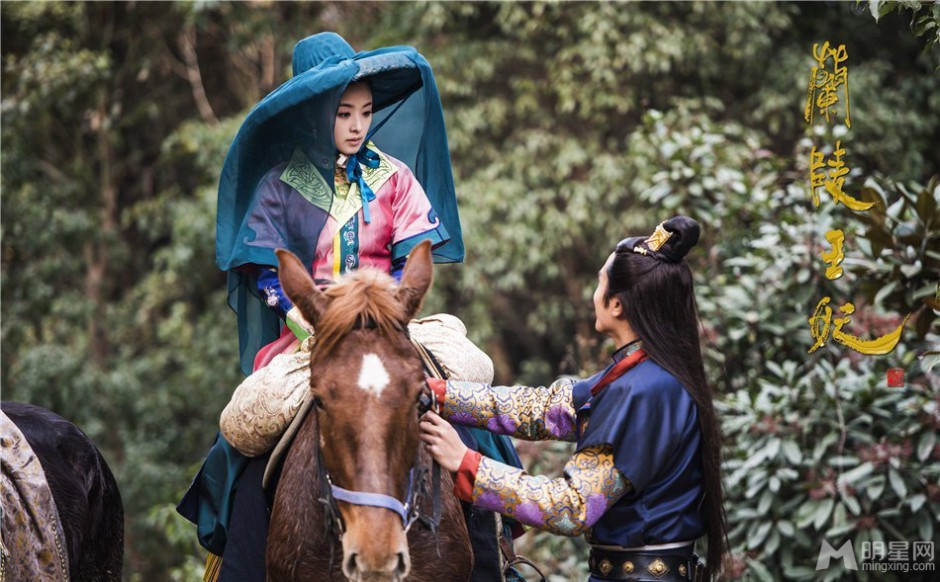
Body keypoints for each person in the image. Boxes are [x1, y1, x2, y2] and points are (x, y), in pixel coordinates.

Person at [177, 32, 522, 582]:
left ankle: (494, 553)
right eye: (344, 114)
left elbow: (415, 252)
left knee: (472, 390)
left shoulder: (396, 177)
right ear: (316, 115)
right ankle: (237, 559)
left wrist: (396, 303)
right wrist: (309, 320)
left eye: (365, 112)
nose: (358, 125)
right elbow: (269, 271)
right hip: (311, 330)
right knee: (243, 431)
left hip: (390, 324)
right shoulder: (278, 187)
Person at [420, 216, 728, 581]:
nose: (593, 294)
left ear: (616, 304)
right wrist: (436, 391)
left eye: (600, 283)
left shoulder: (639, 391)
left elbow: (571, 506)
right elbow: (540, 410)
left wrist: (466, 462)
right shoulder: (643, 376)